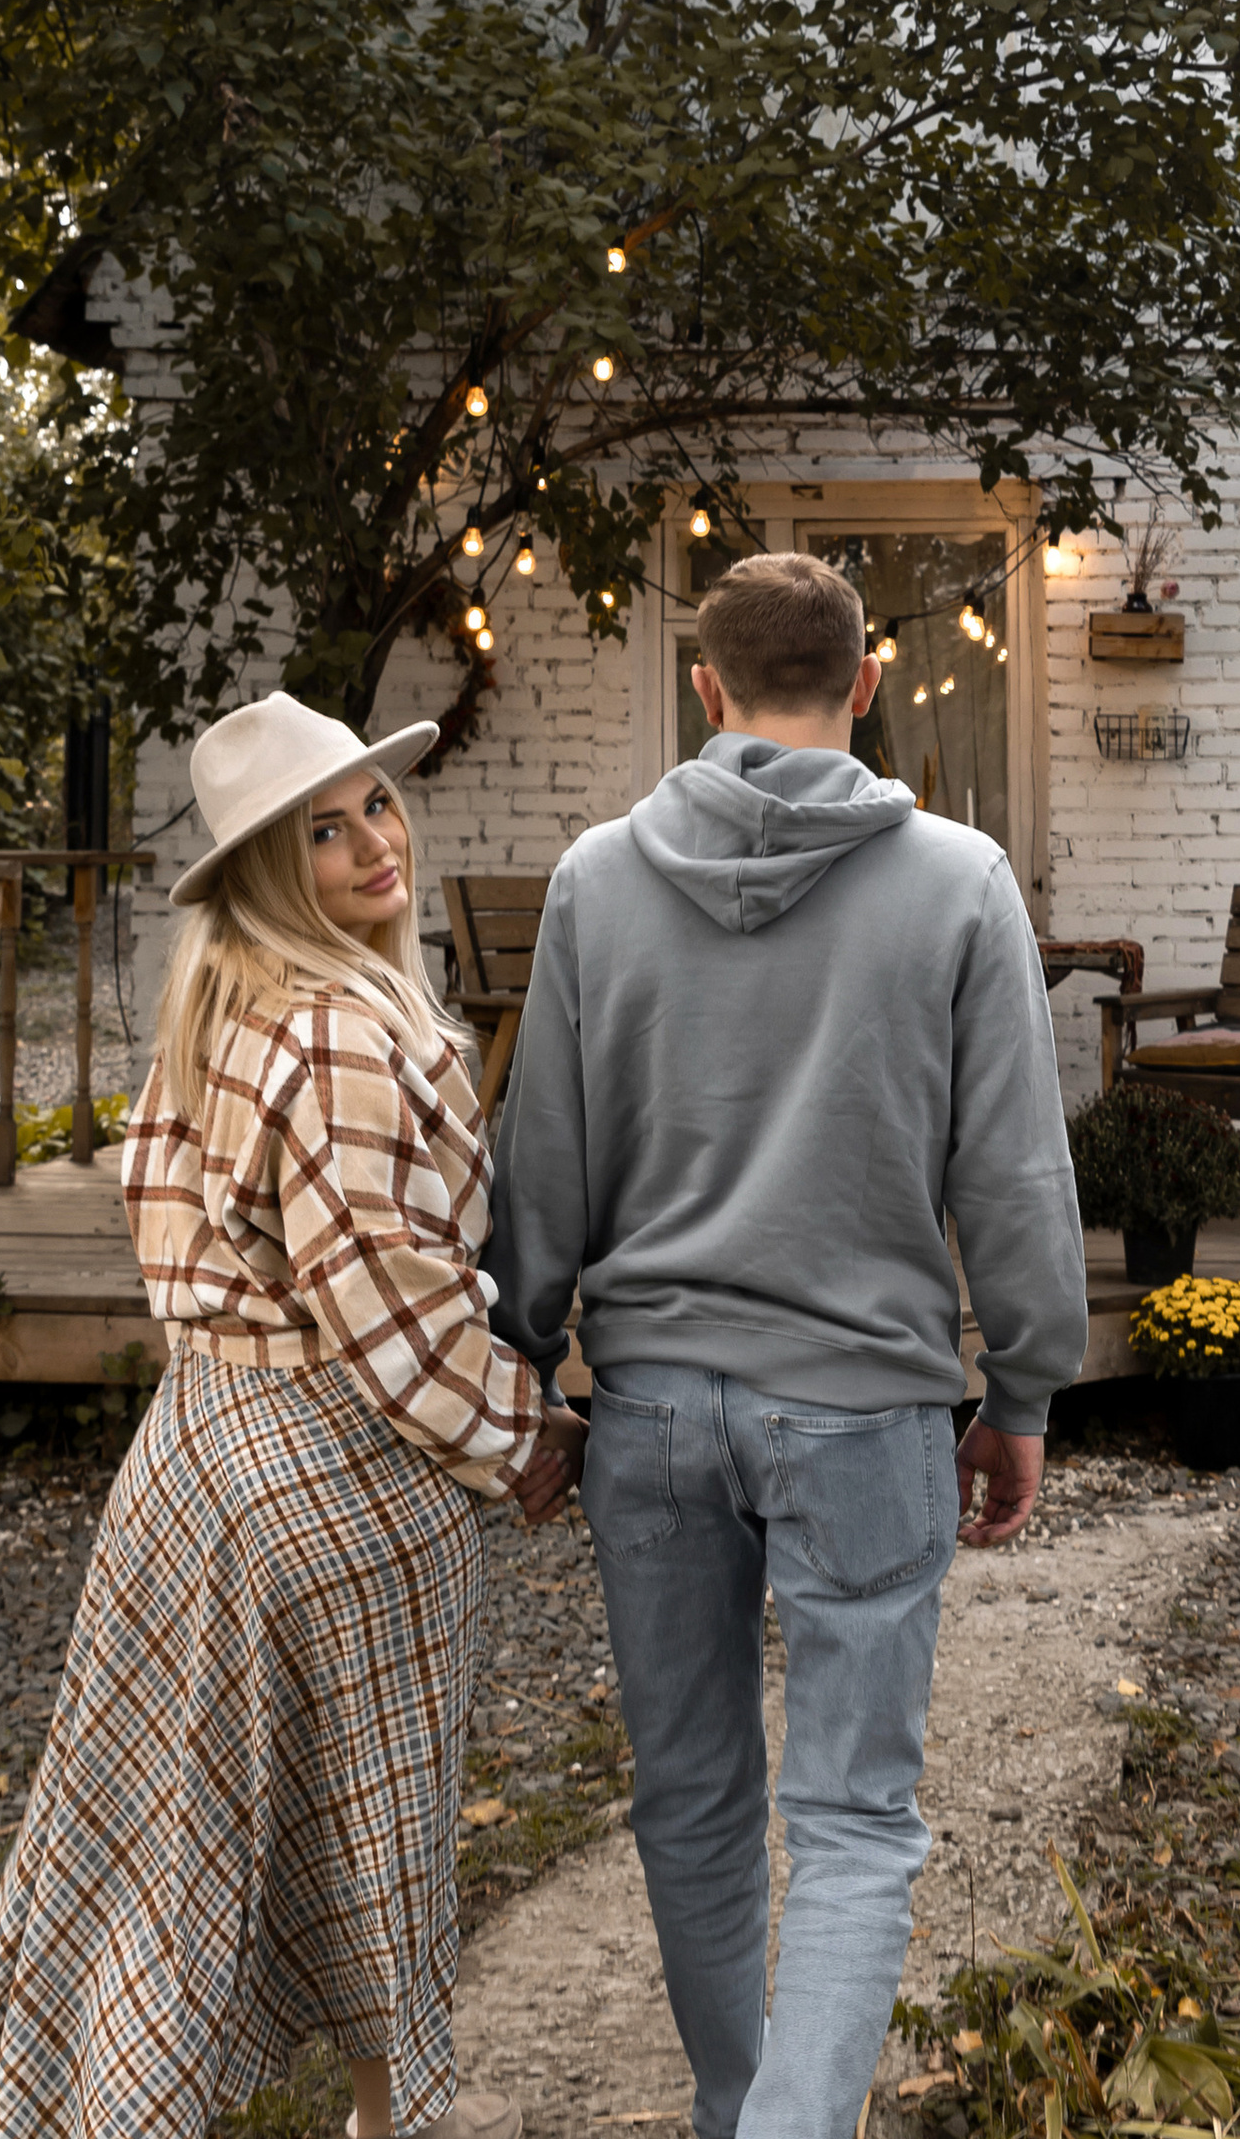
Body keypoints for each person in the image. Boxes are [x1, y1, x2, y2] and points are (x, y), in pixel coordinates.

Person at [0, 692, 585, 2139]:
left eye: (374, 808)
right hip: (336, 1479)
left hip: (191, 1464)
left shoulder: (214, 1015)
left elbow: (184, 1256)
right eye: (322, 832)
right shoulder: (340, 1031)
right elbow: (390, 1303)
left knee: (168, 1843)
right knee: (375, 1845)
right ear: (271, 871)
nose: (370, 845)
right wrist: (530, 1434)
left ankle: (113, 2103)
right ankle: (383, 2119)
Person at [488, 550, 1087, 2139]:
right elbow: (1016, 1174)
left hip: (656, 1413)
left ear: (707, 690)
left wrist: (525, 1368)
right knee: (854, 1823)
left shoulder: (594, 882)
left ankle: (739, 2109)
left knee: (691, 1799)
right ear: (868, 684)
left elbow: (541, 1161)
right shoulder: (960, 882)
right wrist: (1022, 1386)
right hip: (868, 1412)